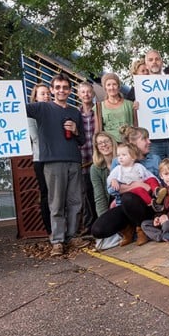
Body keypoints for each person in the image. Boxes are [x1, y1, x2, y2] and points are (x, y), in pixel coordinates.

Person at [26, 73, 86, 257]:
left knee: (76, 201)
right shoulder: (42, 108)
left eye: (65, 87)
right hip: (52, 162)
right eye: (57, 87)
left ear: (69, 91)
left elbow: (82, 140)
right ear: (51, 90)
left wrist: (76, 130)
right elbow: (15, 108)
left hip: (74, 160)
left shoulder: (75, 112)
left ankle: (72, 235)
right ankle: (58, 241)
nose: (61, 90)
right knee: (56, 202)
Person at [91, 125, 162, 246]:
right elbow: (111, 189)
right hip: (125, 205)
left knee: (128, 197)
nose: (149, 142)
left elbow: (161, 185)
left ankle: (142, 229)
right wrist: (137, 185)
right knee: (98, 229)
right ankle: (128, 229)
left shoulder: (154, 159)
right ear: (132, 143)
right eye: (144, 139)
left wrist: (148, 187)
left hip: (149, 205)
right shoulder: (118, 161)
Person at [107, 142, 165, 209]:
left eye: (123, 155)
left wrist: (159, 183)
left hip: (145, 186)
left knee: (152, 179)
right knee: (139, 189)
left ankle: (157, 191)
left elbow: (149, 175)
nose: (120, 158)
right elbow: (110, 177)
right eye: (118, 155)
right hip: (132, 191)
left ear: (133, 157)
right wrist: (113, 180)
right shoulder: (118, 169)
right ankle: (152, 204)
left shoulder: (138, 166)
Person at [27, 82, 51, 235]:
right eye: (42, 93)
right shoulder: (31, 114)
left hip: (56, 159)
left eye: (48, 93)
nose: (46, 96)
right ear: (35, 97)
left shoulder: (54, 111)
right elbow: (35, 137)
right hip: (41, 159)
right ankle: (50, 230)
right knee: (46, 194)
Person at [76, 81, 97, 236]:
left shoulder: (99, 112)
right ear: (79, 95)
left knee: (100, 192)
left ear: (93, 93)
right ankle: (89, 225)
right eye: (83, 92)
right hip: (83, 159)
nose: (86, 95)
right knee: (86, 194)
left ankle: (101, 221)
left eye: (88, 92)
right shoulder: (75, 114)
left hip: (98, 158)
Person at [97, 73, 135, 142]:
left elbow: (136, 127)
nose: (112, 87)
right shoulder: (99, 107)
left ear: (118, 86)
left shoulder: (130, 105)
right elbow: (98, 131)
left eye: (114, 84)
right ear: (105, 88)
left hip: (128, 144)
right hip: (109, 146)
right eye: (108, 85)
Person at [90, 132, 118, 218]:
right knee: (99, 229)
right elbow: (100, 197)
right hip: (109, 206)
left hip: (125, 203)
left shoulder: (122, 160)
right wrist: (104, 218)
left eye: (106, 141)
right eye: (100, 143)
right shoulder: (95, 168)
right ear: (97, 148)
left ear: (112, 143)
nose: (104, 145)